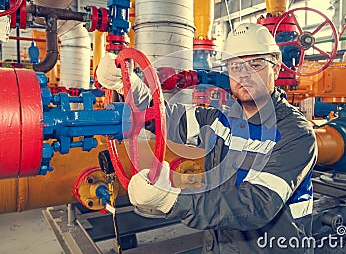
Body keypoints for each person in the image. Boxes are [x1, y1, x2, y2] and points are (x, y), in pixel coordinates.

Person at [97, 23, 317, 253]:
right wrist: (128, 84)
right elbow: (165, 118)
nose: (245, 75)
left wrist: (172, 201)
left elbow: (257, 205)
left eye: (256, 64)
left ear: (278, 67)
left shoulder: (295, 133)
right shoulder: (220, 119)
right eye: (236, 66)